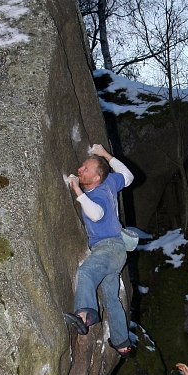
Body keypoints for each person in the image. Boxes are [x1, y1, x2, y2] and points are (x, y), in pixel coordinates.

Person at [64, 142, 134, 358]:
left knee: (86, 272)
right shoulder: (110, 181)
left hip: (108, 249)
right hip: (115, 252)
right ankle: (122, 341)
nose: (79, 170)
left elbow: (96, 214)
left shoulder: (97, 196)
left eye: (85, 169)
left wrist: (76, 189)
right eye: (82, 167)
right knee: (111, 299)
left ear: (96, 178)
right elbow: (128, 176)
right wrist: (104, 154)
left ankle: (85, 315)